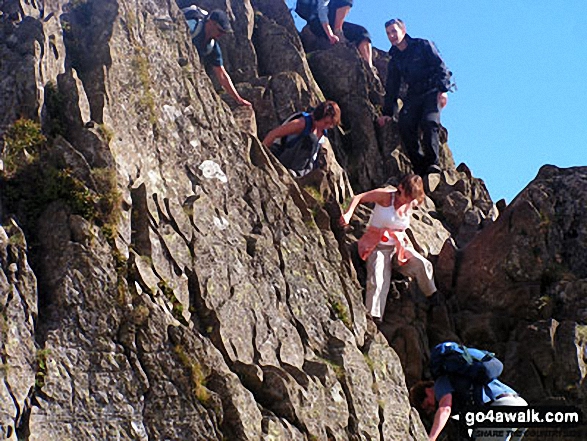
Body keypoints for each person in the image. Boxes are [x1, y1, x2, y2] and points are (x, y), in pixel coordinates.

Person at [341, 174, 441, 320]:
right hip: (377, 246)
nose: (404, 200)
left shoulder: (411, 202)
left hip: (398, 247)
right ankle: (374, 318)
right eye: (403, 195)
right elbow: (358, 197)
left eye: (408, 198)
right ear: (400, 188)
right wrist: (348, 214)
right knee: (378, 279)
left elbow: (416, 203)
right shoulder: (386, 197)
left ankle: (433, 297)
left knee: (422, 264)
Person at [377, 18, 452, 176]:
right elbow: (392, 88)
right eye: (388, 33)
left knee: (429, 121)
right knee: (405, 124)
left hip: (432, 90)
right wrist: (387, 113)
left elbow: (441, 67)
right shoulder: (395, 59)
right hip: (413, 95)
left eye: (394, 31)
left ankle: (433, 164)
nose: (391, 36)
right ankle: (419, 167)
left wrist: (443, 90)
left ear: (403, 31)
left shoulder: (422, 45)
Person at [411, 372, 527, 440]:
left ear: (427, 391)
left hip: (503, 408)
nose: (432, 409)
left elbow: (444, 409)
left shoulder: (441, 383)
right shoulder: (461, 389)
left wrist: (431, 438)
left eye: (427, 405)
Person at [181, 7, 252, 107]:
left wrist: (238, 99)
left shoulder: (212, 47)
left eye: (224, 33)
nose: (221, 35)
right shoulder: (192, 26)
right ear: (210, 22)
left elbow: (221, 74)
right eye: (220, 30)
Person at [262, 101, 341, 178]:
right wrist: (260, 155)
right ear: (319, 116)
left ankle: (300, 175)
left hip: (305, 167)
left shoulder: (322, 132)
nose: (327, 126)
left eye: (330, 125)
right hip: (284, 157)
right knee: (311, 139)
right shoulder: (301, 123)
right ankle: (296, 172)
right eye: (326, 122)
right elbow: (273, 134)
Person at [305, 0, 375, 69]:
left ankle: (369, 66)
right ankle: (338, 31)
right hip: (317, 23)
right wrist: (330, 34)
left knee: (362, 32)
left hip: (330, 23)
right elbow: (321, 10)